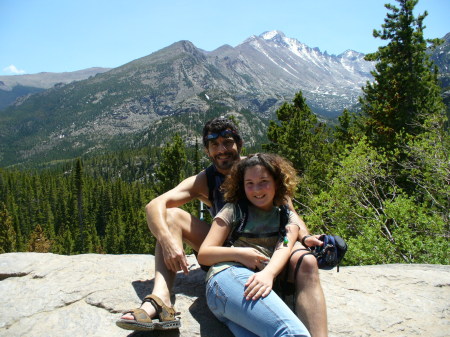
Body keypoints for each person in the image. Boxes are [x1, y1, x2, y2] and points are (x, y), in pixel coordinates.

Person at [116, 117, 328, 336]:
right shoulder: (206, 179)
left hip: (268, 248)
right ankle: (161, 297)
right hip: (222, 249)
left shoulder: (256, 170)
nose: (221, 150)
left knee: (307, 262)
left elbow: (289, 213)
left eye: (227, 142)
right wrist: (168, 241)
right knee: (169, 218)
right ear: (207, 151)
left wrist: (305, 237)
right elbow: (154, 205)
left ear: (239, 144)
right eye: (214, 145)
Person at [198, 153, 310, 337]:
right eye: (249, 183)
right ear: (242, 186)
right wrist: (240, 254)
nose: (257, 189)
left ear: (277, 182)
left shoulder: (285, 215)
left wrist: (269, 273)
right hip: (228, 277)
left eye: (263, 181)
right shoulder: (233, 209)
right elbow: (204, 254)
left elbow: (285, 245)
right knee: (292, 333)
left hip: (235, 299)